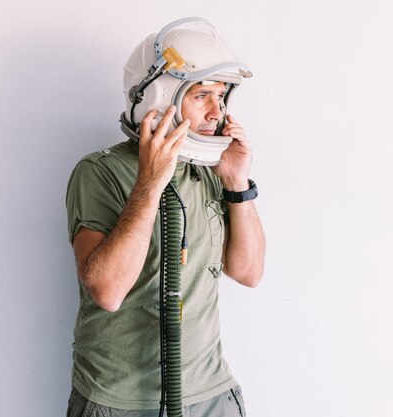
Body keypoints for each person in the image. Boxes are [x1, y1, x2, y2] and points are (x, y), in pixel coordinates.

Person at [65, 17, 265, 417]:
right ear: (159, 97)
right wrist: (152, 181)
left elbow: (248, 272)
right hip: (119, 400)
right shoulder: (101, 171)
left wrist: (237, 183)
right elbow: (106, 291)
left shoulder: (209, 170)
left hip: (210, 393)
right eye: (202, 95)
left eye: (221, 95)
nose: (217, 111)